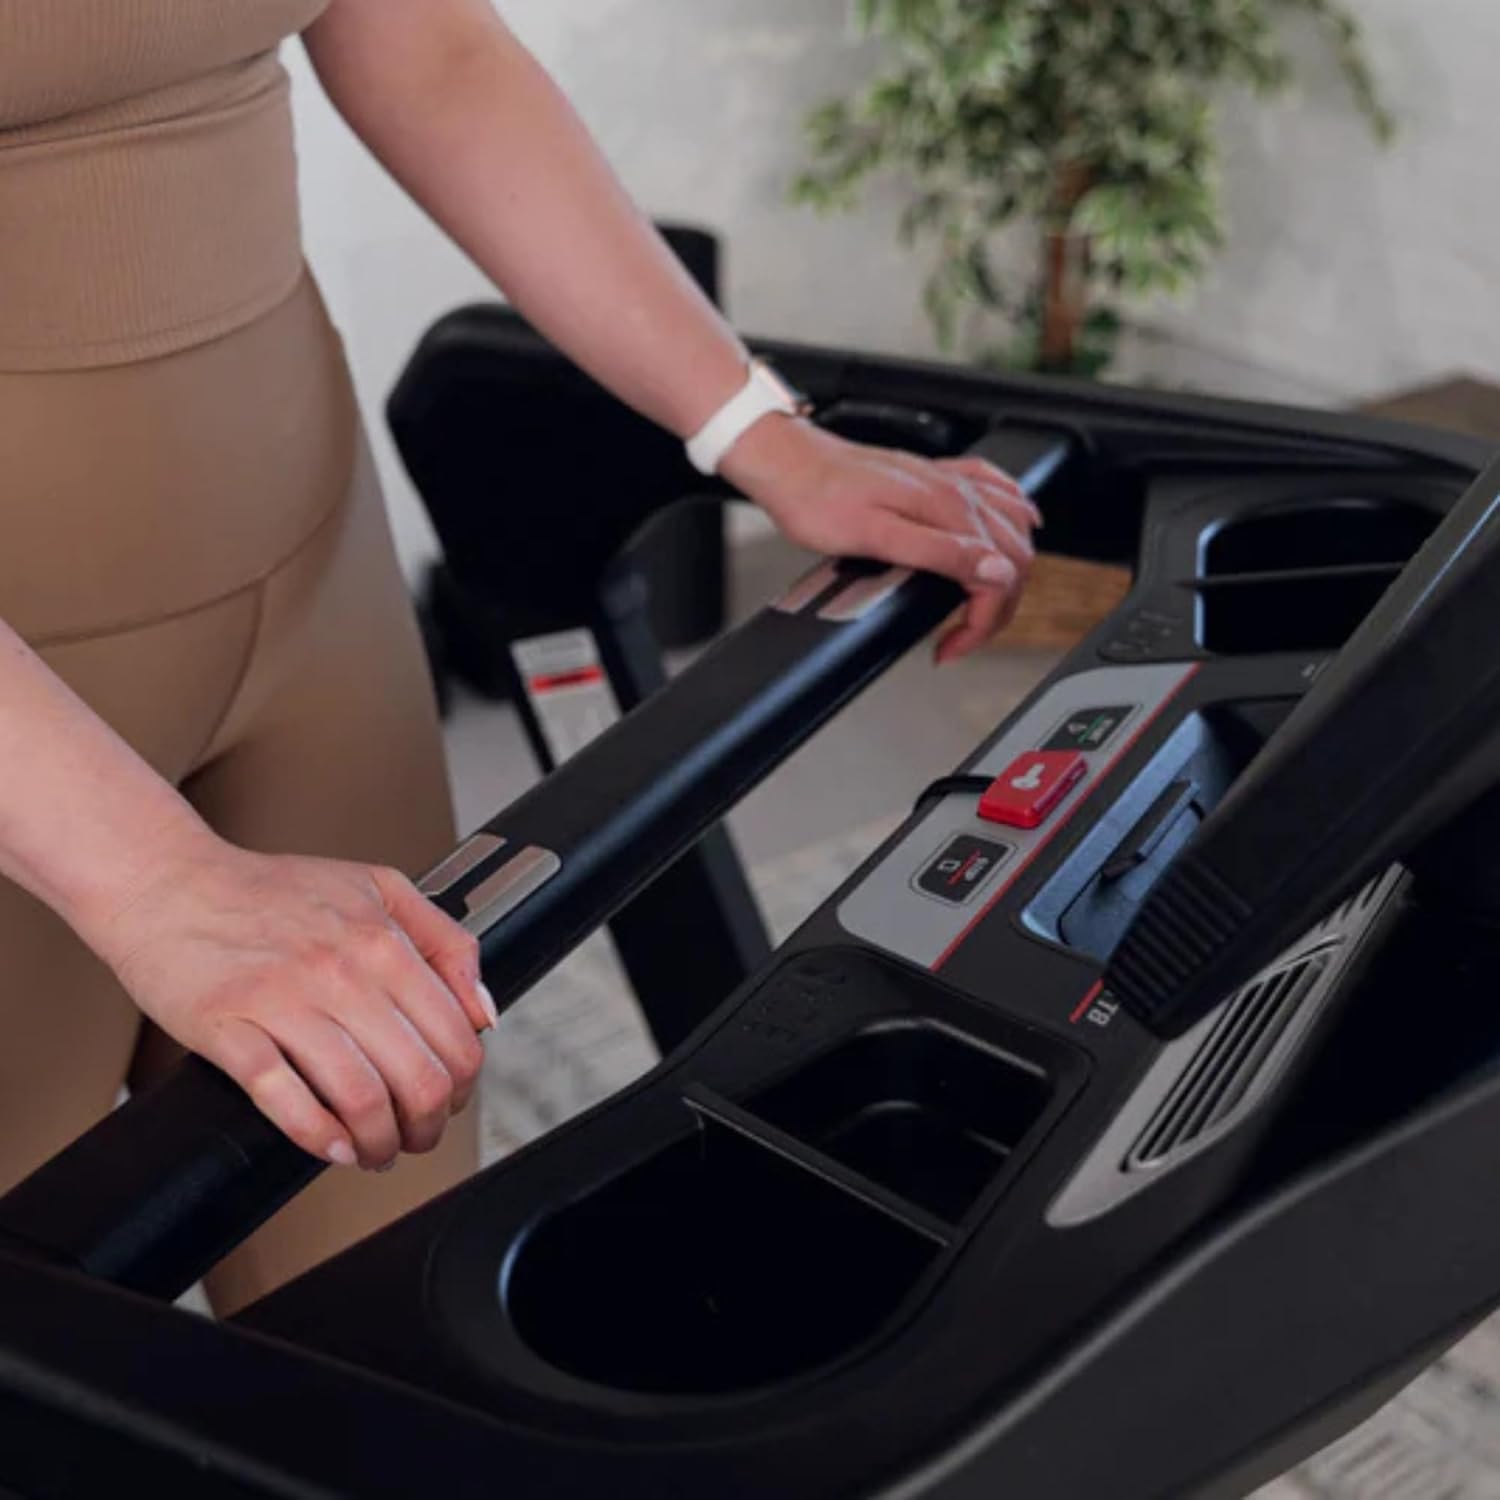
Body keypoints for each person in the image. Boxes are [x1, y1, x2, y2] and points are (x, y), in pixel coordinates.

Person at [0, 0, 1039, 1315]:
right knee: (47, 1337)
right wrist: (150, 882)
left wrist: (757, 433)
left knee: (386, 1308)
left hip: (308, 570)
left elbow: (429, 43)